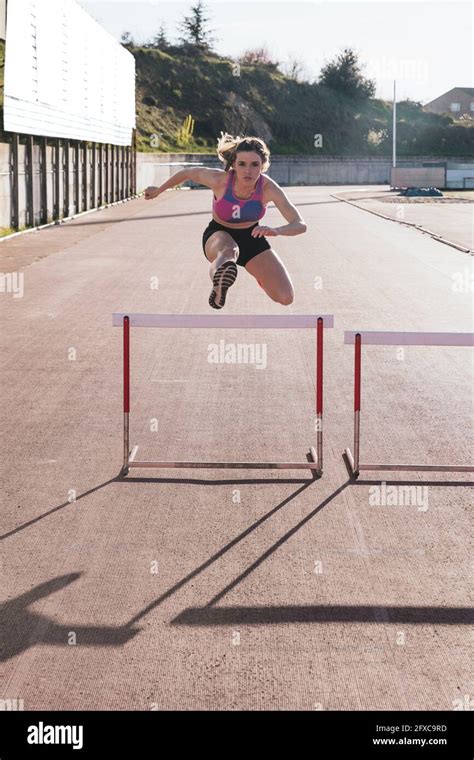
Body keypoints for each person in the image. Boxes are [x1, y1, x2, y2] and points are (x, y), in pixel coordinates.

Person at [144, 133, 307, 309]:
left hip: (252, 237)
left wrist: (277, 230)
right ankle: (219, 284)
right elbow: (187, 173)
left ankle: (259, 276)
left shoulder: (269, 188)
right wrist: (159, 190)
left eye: (255, 165)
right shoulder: (219, 180)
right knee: (229, 250)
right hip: (218, 235)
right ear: (233, 165)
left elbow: (300, 224)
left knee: (285, 297)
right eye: (242, 164)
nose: (248, 171)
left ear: (263, 166)